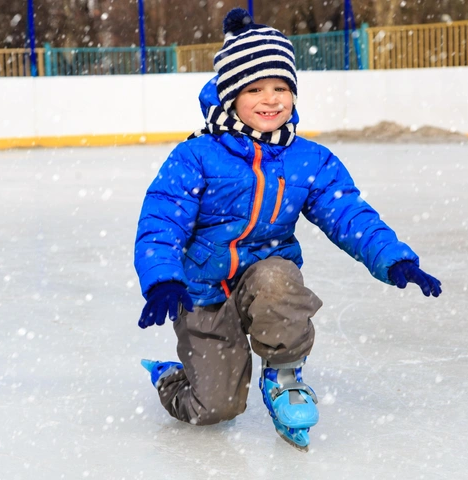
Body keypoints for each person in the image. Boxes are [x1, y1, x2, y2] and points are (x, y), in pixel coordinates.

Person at [134, 8, 442, 451]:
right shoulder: (196, 156)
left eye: (282, 87)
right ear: (229, 96)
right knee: (215, 409)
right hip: (202, 292)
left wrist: (393, 258)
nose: (271, 98)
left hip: (264, 279)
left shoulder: (309, 159)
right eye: (255, 88)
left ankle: (283, 374)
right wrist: (163, 278)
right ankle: (169, 378)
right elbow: (162, 218)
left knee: (277, 276)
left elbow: (348, 213)